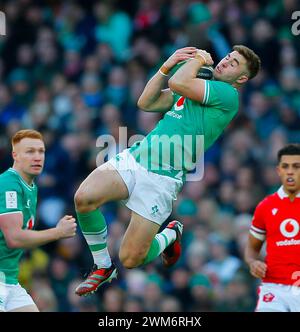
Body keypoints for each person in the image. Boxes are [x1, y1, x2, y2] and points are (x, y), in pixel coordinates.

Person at [74, 45, 261, 296]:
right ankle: (103, 266)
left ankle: (170, 234)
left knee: (130, 258)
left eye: (234, 63)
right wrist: (166, 65)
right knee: (84, 198)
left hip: (163, 179)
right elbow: (145, 101)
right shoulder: (194, 87)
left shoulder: (228, 95)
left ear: (242, 79)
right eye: (227, 57)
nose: (225, 62)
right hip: (136, 158)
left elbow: (180, 81)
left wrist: (197, 59)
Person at [0, 129, 77, 312]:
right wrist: (58, 232)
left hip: (9, 279)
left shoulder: (31, 187)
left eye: (40, 151)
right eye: (30, 151)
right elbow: (14, 238)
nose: (37, 157)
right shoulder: (8, 184)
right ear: (15, 155)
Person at [245, 144, 300, 312]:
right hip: (274, 287)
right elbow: (252, 249)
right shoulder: (266, 206)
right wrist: (253, 262)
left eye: (296, 166)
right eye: (285, 166)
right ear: (279, 171)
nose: (290, 171)